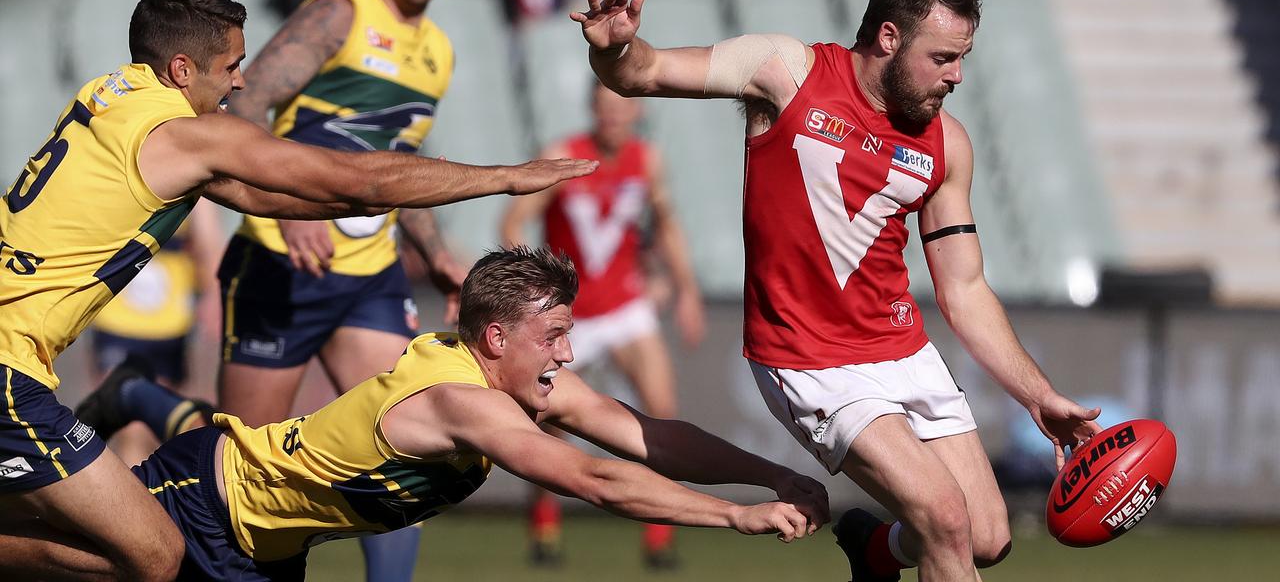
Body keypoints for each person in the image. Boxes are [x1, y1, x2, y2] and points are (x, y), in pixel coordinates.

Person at [0, 0, 593, 581]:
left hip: (15, 360)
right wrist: (504, 176)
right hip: (8, 370)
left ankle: (137, 399)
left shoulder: (113, 93)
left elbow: (269, 194)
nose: (239, 81)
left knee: (92, 533)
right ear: (182, 69)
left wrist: (365, 201)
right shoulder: (188, 134)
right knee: (154, 555)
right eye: (229, 66)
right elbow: (354, 179)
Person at [571, 0, 1102, 582]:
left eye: (963, 58)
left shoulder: (947, 144)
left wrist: (1037, 396)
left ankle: (873, 553)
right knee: (946, 521)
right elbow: (645, 72)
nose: (957, 76)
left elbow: (962, 287)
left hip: (900, 349)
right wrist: (612, 52)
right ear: (888, 37)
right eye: (942, 58)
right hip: (811, 361)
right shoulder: (786, 71)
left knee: (987, 536)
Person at [76, 246, 828, 581]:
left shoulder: (513, 378)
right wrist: (733, 518)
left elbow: (646, 436)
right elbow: (598, 479)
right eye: (555, 336)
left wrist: (771, 477)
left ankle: (138, 397)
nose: (568, 355)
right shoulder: (462, 403)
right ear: (497, 337)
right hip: (203, 502)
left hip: (267, 552)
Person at [220, 0, 475, 580]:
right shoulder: (337, 14)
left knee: (403, 453)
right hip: (280, 263)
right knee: (249, 465)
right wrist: (279, 205)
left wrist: (439, 252)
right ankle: (140, 403)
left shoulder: (439, 52)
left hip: (369, 274)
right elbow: (240, 113)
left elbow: (401, 168)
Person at [500, 82, 706, 568]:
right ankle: (545, 528)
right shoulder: (563, 157)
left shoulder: (646, 159)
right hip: (569, 314)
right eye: (604, 107)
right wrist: (534, 292)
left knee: (661, 413)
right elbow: (513, 222)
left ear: (635, 109)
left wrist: (687, 290)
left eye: (621, 107)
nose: (613, 117)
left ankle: (659, 539)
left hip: (625, 307)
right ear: (592, 108)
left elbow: (667, 224)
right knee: (548, 422)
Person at [88, 198, 223, 466]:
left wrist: (212, 296)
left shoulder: (193, 181)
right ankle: (134, 498)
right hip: (116, 320)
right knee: (131, 425)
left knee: (156, 425)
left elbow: (208, 243)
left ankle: (152, 494)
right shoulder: (112, 173)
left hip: (169, 327)